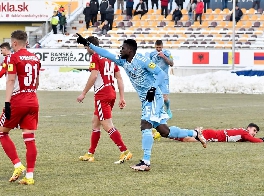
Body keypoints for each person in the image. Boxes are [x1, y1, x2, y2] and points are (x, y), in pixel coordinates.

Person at [76, 34, 207, 171]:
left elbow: (161, 74)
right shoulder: (122, 61)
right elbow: (106, 53)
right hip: (146, 100)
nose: (120, 50)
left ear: (130, 51)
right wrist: (88, 44)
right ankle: (194, 133)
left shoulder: (143, 60)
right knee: (164, 131)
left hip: (154, 97)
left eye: (123, 48)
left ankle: (146, 162)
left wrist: (153, 88)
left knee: (145, 124)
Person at [77, 36, 132, 164]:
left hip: (102, 94)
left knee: (107, 124)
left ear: (90, 46)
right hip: (111, 93)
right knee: (95, 122)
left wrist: (83, 93)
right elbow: (119, 78)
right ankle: (90, 153)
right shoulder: (110, 58)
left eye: (86, 47)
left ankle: (124, 151)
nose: (86, 49)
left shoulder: (95, 57)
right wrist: (121, 97)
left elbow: (94, 75)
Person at [0, 30, 41, 185]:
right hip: (33, 99)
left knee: (2, 133)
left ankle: (17, 165)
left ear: (14, 43)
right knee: (29, 139)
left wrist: (7, 103)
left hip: (18, 99)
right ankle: (29, 176)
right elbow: (36, 83)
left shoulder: (13, 58)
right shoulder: (35, 58)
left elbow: (10, 80)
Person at [157, 123, 264, 143]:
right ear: (248, 128)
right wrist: (262, 140)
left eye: (256, 132)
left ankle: (166, 133)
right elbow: (253, 140)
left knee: (188, 136)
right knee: (187, 139)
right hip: (212, 136)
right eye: (254, 130)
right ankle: (165, 133)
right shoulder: (245, 133)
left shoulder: (243, 133)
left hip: (212, 133)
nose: (254, 133)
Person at [149, 40, 174, 119]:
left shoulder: (167, 53)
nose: (158, 49)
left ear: (162, 46)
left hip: (164, 78)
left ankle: (168, 109)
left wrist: (164, 57)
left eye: (160, 47)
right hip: (155, 78)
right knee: (155, 97)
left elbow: (172, 63)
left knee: (165, 98)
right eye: (157, 47)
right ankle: (158, 112)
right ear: (155, 46)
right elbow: (149, 65)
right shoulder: (151, 54)